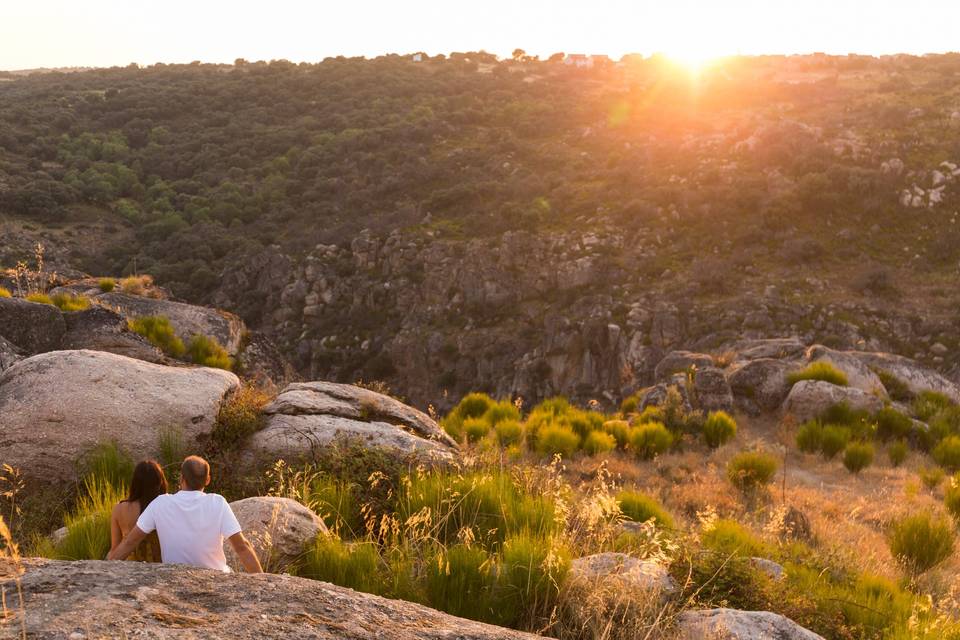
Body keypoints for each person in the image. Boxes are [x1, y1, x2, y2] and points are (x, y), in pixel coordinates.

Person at [107, 455, 262, 573]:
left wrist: (104, 568)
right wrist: (263, 582)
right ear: (207, 480)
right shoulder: (218, 503)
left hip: (175, 576)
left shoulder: (160, 503)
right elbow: (242, 547)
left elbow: (130, 542)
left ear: (181, 478)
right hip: (216, 575)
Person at [110, 460, 167, 562]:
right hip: (161, 567)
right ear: (160, 482)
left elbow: (115, 549)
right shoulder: (167, 506)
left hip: (131, 569)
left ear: (135, 482)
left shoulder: (119, 509)